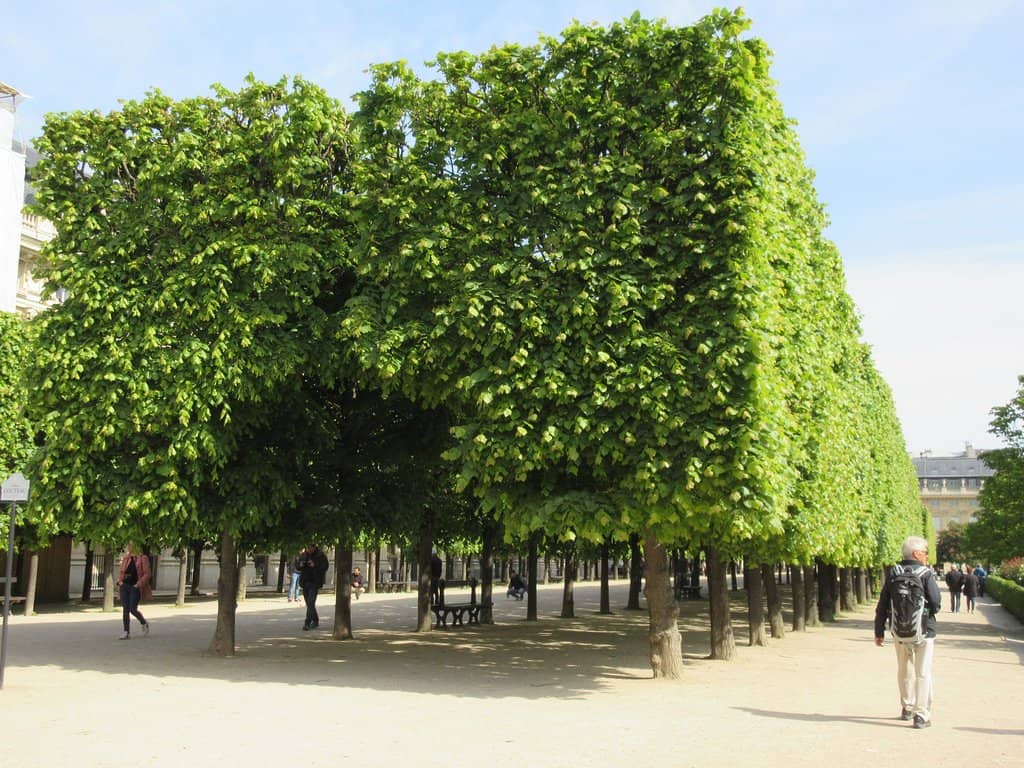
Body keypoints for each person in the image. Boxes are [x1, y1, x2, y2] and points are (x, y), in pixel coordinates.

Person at [874, 535, 942, 729]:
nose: (927, 555)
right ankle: (921, 716)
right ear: (916, 553)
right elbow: (936, 601)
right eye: (925, 552)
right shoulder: (926, 573)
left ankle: (906, 707)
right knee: (923, 672)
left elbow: (883, 604)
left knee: (904, 669)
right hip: (924, 629)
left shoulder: (893, 573)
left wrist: (879, 631)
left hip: (899, 630)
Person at [117, 544, 152, 640]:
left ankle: (143, 622)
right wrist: (120, 582)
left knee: (132, 609)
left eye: (130, 546)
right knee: (125, 609)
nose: (129, 548)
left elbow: (147, 574)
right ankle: (126, 632)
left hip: (135, 587)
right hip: (125, 586)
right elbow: (121, 572)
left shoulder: (143, 558)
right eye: (128, 546)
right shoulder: (126, 559)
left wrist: (138, 584)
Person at [298, 544, 329, 631]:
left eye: (310, 548)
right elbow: (298, 566)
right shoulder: (304, 555)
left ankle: (307, 623)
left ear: (314, 547)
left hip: (315, 582)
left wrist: (314, 565)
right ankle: (315, 620)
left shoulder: (320, 555)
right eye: (307, 548)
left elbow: (325, 567)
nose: (309, 549)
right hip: (305, 581)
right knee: (309, 603)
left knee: (311, 602)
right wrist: (300, 565)